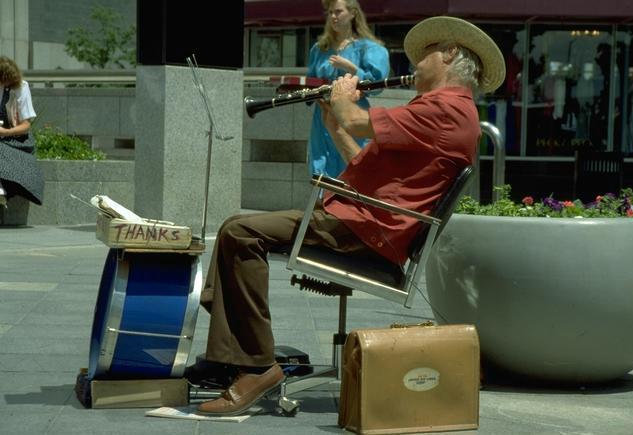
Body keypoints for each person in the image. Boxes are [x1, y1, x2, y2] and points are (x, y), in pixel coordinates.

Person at [191, 16, 505, 416]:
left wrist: (343, 97)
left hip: (369, 231)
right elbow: (361, 158)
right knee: (236, 228)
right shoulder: (439, 109)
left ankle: (255, 365)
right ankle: (228, 356)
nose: (416, 63)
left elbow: (357, 120)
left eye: (426, 53)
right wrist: (332, 123)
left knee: (241, 232)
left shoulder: (447, 109)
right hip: (364, 220)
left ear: (449, 53)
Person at [306, 0, 390, 177]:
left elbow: (376, 84)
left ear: (352, 14)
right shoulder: (319, 48)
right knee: (322, 161)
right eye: (330, 13)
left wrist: (351, 67)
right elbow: (311, 79)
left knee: (352, 159)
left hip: (352, 112)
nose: (333, 17)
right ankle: (323, 203)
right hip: (323, 115)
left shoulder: (368, 48)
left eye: (338, 12)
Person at [0, 56, 44, 208]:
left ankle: (2, 190)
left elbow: (26, 125)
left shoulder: (21, 87)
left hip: (15, 139)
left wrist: (5, 132)